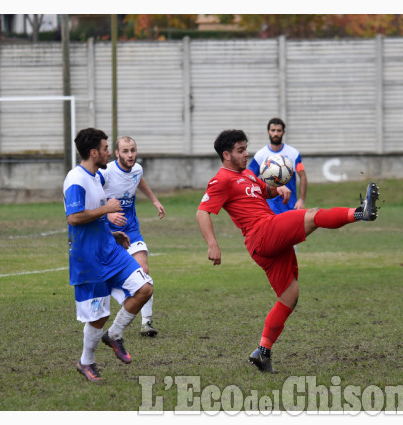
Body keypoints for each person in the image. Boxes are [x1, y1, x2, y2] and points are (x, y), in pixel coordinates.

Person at [196, 129, 378, 373]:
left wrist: (277, 189)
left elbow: (263, 191)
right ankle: (360, 212)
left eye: (245, 148)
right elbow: (202, 211)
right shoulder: (221, 179)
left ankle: (262, 352)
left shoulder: (248, 174)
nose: (246, 154)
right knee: (312, 215)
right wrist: (212, 244)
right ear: (226, 155)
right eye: (240, 151)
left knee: (289, 295)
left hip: (265, 241)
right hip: (262, 233)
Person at [63, 127, 154, 382]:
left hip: (109, 248)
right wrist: (106, 209)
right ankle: (86, 361)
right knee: (99, 315)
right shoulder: (76, 179)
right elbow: (73, 217)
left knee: (145, 288)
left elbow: (93, 215)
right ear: (94, 152)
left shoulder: (94, 176)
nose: (108, 153)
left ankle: (114, 335)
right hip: (88, 258)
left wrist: (111, 234)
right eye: (105, 148)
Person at [98, 136, 166, 337]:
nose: (130, 155)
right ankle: (124, 308)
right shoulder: (106, 172)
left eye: (133, 150)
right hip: (108, 232)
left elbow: (139, 180)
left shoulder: (137, 169)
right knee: (110, 277)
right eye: (125, 151)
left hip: (131, 229)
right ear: (117, 153)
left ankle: (146, 323)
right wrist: (108, 212)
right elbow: (92, 195)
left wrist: (154, 200)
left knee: (143, 270)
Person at [248, 118, 307, 214]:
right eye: (273, 130)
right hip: (268, 208)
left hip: (290, 207)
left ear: (283, 132)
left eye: (279, 130)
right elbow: (249, 177)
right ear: (268, 132)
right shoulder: (261, 155)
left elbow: (303, 176)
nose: (275, 133)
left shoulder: (293, 153)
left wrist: (301, 200)